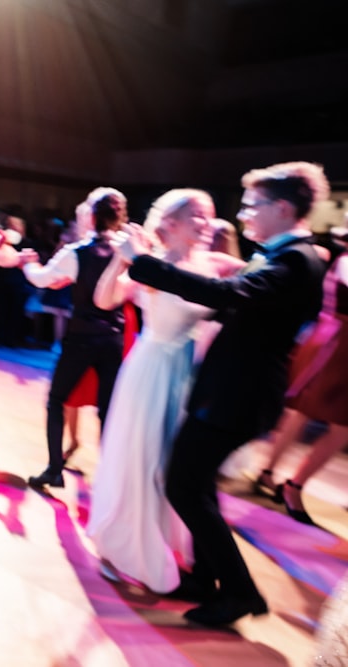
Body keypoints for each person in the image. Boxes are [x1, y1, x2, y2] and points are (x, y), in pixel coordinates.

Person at [115, 161, 329, 627]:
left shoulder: (296, 260)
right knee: (196, 484)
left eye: (253, 205)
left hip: (240, 394)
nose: (245, 215)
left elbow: (227, 295)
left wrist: (144, 264)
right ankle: (208, 578)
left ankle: (239, 592)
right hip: (231, 388)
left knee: (183, 485)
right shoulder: (286, 254)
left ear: (284, 207)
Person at [86, 188, 241, 594]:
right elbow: (104, 299)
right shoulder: (149, 266)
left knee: (179, 465)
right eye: (198, 216)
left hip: (193, 375)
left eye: (210, 216)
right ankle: (124, 547)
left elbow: (263, 276)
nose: (208, 224)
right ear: (170, 223)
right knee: (145, 458)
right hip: (152, 372)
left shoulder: (214, 263)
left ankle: (172, 542)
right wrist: (124, 256)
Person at [22, 188, 128, 488]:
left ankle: (55, 469)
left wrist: (27, 263)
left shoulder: (78, 251)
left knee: (57, 400)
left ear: (92, 216)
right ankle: (110, 477)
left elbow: (42, 279)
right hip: (114, 338)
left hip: (82, 337)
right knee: (108, 409)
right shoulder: (128, 250)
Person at [252, 225, 348, 526]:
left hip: (338, 343)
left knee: (332, 423)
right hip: (335, 344)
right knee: (306, 414)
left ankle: (287, 480)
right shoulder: (346, 260)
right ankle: (277, 476)